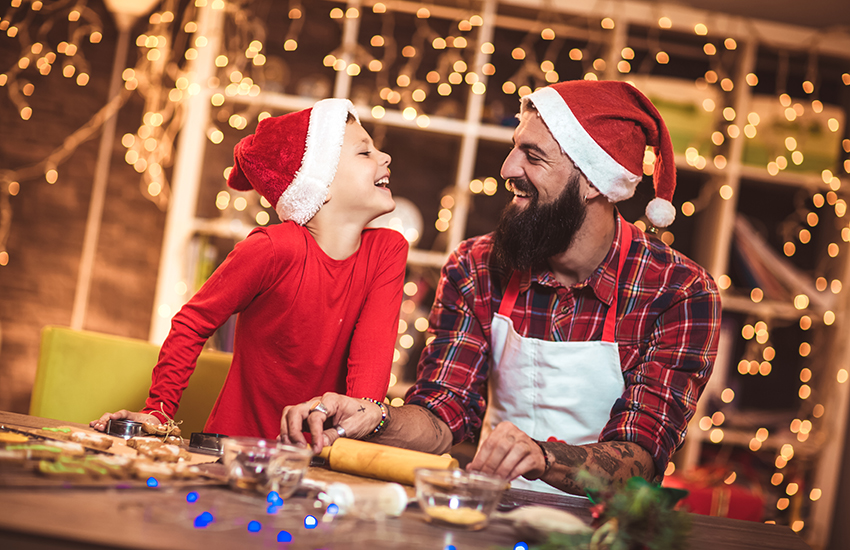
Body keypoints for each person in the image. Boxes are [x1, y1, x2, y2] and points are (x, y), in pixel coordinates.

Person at [280, 80, 721, 495]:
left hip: (605, 531)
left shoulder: (680, 292)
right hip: (490, 512)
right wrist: (374, 418)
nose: (509, 168)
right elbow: (443, 414)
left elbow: (641, 461)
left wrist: (541, 457)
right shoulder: (475, 267)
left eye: (533, 155)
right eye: (515, 149)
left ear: (592, 180)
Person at [91, 98, 408, 439]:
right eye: (365, 153)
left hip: (322, 456)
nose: (385, 157)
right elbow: (193, 322)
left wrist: (348, 441)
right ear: (320, 183)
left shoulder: (387, 252)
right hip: (233, 450)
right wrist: (158, 411)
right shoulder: (273, 248)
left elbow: (366, 381)